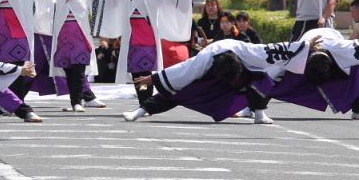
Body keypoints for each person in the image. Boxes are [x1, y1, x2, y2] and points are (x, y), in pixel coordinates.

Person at [123, 38, 311, 123]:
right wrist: (152, 78)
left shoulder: (249, 52)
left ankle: (259, 114)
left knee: (263, 78)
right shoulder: (203, 60)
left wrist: (306, 46)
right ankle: (140, 111)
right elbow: (178, 73)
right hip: (214, 72)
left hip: (243, 69)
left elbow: (278, 48)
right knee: (181, 91)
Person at [89, 0, 211, 84]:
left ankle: (145, 97)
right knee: (134, 66)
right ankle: (142, 99)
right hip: (131, 30)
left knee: (147, 65)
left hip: (148, 29)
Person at [249, 26, 359, 123]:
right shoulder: (297, 51)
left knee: (356, 69)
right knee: (277, 75)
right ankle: (254, 107)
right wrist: (254, 107)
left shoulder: (341, 48)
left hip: (331, 39)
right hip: (309, 43)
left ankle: (358, 109)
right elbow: (269, 72)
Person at [43, 0, 106, 112]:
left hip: (81, 37)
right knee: (69, 70)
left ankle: (77, 102)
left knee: (79, 69)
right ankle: (76, 101)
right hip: (63, 37)